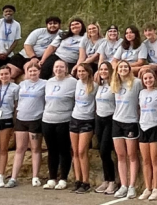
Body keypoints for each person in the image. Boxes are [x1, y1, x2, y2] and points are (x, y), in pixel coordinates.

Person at [8, 62, 46, 188]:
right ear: (27, 73)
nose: (33, 73)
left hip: (35, 119)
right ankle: (13, 177)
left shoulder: (44, 84)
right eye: (30, 71)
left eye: (35, 71)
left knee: (35, 148)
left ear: (39, 72)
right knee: (20, 148)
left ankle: (35, 177)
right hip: (21, 118)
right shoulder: (22, 85)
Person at [41, 60, 77, 190]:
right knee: (52, 150)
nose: (59, 69)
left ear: (66, 69)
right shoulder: (49, 82)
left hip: (64, 120)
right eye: (56, 67)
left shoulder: (73, 82)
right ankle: (52, 178)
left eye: (61, 67)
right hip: (48, 120)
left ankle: (63, 178)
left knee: (64, 150)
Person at [110, 59, 142, 199]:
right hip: (117, 121)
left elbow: (142, 100)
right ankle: (123, 185)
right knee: (121, 156)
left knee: (132, 155)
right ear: (117, 70)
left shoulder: (136, 83)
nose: (123, 69)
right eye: (120, 67)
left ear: (129, 69)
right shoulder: (115, 84)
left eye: (125, 67)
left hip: (131, 122)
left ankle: (132, 186)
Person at [137, 69, 157, 201]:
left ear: (154, 78)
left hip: (155, 127)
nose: (148, 81)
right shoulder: (141, 92)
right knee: (146, 161)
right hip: (143, 127)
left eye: (150, 78)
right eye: (145, 79)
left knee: (155, 160)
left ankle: (156, 188)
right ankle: (147, 187)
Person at [69, 63, 97, 193]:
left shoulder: (94, 85)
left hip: (87, 120)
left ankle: (86, 181)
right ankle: (78, 179)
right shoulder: (76, 83)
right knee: (75, 152)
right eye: (79, 71)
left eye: (83, 71)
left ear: (88, 72)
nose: (80, 73)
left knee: (82, 151)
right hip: (75, 118)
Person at [93, 61, 118, 194]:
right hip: (99, 119)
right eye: (101, 69)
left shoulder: (114, 85)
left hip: (110, 118)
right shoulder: (100, 85)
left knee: (105, 150)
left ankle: (112, 181)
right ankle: (106, 180)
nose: (103, 72)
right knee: (102, 151)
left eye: (105, 69)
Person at [0, 5, 24, 80]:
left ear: (13, 13)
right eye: (6, 11)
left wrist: (7, 53)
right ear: (3, 13)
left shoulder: (16, 25)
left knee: (6, 73)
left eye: (10, 11)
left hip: (8, 54)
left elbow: (16, 41)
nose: (8, 13)